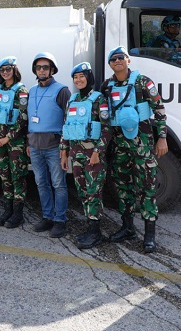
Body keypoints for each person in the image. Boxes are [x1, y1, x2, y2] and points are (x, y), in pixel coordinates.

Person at [101, 46, 168, 253]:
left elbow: (159, 110)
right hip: (120, 146)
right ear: (110, 64)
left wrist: (162, 138)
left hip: (143, 145)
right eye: (113, 59)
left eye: (121, 57)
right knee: (122, 187)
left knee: (147, 188)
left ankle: (149, 235)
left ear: (128, 61)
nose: (118, 60)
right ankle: (127, 227)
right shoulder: (107, 86)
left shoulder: (142, 82)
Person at [60, 62, 110, 249]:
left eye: (82, 76)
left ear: (89, 78)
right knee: (82, 191)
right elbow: (66, 128)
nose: (79, 80)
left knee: (93, 192)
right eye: (76, 77)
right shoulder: (72, 100)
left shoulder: (99, 100)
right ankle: (90, 227)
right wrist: (64, 153)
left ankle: (96, 232)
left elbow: (106, 129)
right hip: (76, 155)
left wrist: (98, 152)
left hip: (93, 155)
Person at [27, 52, 71, 238]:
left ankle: (60, 220)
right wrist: (29, 142)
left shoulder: (62, 91)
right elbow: (28, 119)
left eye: (46, 67)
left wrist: (64, 149)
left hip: (54, 147)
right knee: (41, 183)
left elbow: (68, 120)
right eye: (39, 67)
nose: (42, 70)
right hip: (35, 146)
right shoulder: (31, 91)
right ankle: (47, 217)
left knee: (58, 184)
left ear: (52, 69)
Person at [0, 56, 29, 228]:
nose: (5, 73)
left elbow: (23, 117)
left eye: (8, 69)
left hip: (14, 142)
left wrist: (7, 138)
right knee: (4, 175)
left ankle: (18, 213)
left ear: (14, 70)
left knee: (17, 176)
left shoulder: (21, 90)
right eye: (2, 70)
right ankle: (8, 209)